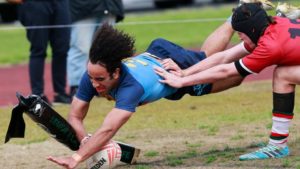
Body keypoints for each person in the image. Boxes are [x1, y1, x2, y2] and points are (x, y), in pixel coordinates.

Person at [46, 20, 241, 168]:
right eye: (91, 77)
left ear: (116, 73)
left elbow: (108, 130)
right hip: (155, 60)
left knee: (231, 73)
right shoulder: (93, 74)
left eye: (100, 80)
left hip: (173, 64)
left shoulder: (132, 88)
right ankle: (242, 28)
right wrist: (85, 142)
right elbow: (75, 115)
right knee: (213, 60)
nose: (93, 84)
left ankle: (248, 34)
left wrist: (76, 157)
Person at [155, 3, 300, 160]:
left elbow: (225, 71)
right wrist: (184, 73)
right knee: (283, 74)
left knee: (283, 75)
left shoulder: (269, 46)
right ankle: (277, 145)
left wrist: (182, 82)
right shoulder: (272, 25)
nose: (238, 36)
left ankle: (277, 146)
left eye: (240, 33)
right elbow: (224, 56)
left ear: (251, 29)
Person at [17, 0, 72, 104]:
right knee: (38, 49)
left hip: (61, 3)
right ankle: (37, 95)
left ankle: (60, 94)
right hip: (35, 4)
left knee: (62, 49)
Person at [67, 0, 124, 97]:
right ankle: (77, 87)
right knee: (81, 48)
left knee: (107, 48)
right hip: (82, 8)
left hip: (109, 5)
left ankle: (106, 84)